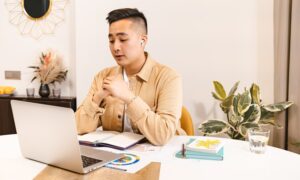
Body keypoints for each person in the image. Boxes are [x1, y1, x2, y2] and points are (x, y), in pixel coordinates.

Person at [75, 8, 186, 145]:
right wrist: (97, 98)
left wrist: (127, 96)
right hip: (117, 159)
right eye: (111, 41)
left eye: (123, 39)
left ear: (143, 41)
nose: (115, 47)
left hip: (162, 158)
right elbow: (77, 128)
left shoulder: (169, 77)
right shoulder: (103, 76)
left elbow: (162, 135)